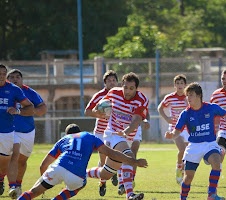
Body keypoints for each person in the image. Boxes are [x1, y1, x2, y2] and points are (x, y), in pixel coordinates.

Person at [17, 124, 148, 200]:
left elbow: (43, 165)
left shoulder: (63, 140)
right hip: (77, 176)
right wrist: (134, 161)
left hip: (58, 167)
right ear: (79, 132)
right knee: (80, 185)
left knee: (33, 192)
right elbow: (112, 153)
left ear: (67, 134)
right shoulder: (89, 136)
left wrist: (44, 182)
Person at [165, 82, 226, 200]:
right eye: (187, 95)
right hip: (194, 146)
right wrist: (172, 135)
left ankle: (211, 195)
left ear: (199, 96)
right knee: (188, 177)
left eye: (191, 95)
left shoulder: (211, 108)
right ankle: (183, 198)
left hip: (210, 144)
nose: (188, 98)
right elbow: (177, 131)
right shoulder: (185, 113)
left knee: (216, 162)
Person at [86, 72, 149, 200]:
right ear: (122, 86)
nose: (127, 91)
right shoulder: (114, 92)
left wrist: (125, 132)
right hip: (112, 133)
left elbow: (136, 120)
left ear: (137, 88)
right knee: (128, 156)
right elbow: (100, 105)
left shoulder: (142, 100)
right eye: (125, 87)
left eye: (131, 88)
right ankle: (130, 195)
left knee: (106, 172)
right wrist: (98, 110)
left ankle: (81, 172)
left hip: (125, 134)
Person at [6, 69, 47, 199]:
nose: (15, 79)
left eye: (17, 77)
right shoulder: (4, 91)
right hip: (10, 130)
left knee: (22, 162)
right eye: (11, 77)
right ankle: (11, 185)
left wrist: (28, 111)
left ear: (22, 80)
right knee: (13, 156)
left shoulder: (29, 92)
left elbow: (43, 109)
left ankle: (18, 185)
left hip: (28, 131)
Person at [0, 64, 34, 198]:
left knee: (6, 162)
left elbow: (30, 107)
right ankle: (12, 186)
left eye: (3, 73)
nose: (1, 76)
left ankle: (3, 180)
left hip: (7, 131)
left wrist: (18, 111)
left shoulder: (13, 89)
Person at [84, 70, 119, 196]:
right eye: (109, 81)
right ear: (105, 83)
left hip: (114, 131)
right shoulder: (99, 95)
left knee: (116, 156)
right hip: (100, 131)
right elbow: (87, 111)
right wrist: (98, 114)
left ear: (117, 82)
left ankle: (113, 173)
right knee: (103, 159)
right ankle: (103, 181)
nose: (112, 82)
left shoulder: (120, 95)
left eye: (114, 80)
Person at [158, 74, 189, 184]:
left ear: (185, 85)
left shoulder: (189, 97)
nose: (180, 85)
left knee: (187, 153)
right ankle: (178, 167)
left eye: (182, 83)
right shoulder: (169, 97)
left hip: (188, 129)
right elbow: (160, 108)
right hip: (175, 128)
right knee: (182, 150)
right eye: (177, 83)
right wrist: (167, 118)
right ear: (174, 85)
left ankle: (183, 173)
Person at [118, 115, 150, 196]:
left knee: (133, 152)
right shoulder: (119, 102)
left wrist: (146, 121)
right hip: (122, 126)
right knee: (122, 154)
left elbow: (146, 113)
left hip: (136, 127)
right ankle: (121, 182)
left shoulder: (140, 102)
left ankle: (131, 179)